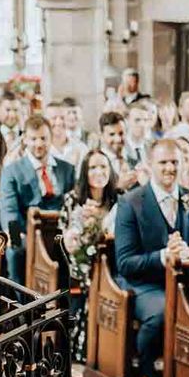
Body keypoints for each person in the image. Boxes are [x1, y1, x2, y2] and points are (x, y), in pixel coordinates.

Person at [114, 139, 189, 377]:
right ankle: (148, 376)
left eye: (175, 162)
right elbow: (124, 262)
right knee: (161, 313)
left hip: (187, 282)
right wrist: (162, 256)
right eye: (163, 162)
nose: (170, 168)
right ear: (150, 165)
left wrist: (188, 252)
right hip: (144, 284)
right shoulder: (131, 203)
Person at [0, 115, 76, 284]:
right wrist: (14, 235)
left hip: (60, 232)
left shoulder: (67, 169)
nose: (39, 144)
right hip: (27, 232)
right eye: (33, 139)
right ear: (25, 139)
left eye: (43, 138)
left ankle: (69, 304)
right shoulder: (12, 171)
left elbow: (74, 203)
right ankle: (22, 306)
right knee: (15, 251)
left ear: (51, 138)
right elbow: (8, 208)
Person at [61, 149, 120, 362]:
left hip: (111, 262)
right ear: (85, 172)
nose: (98, 172)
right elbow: (64, 239)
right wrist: (83, 233)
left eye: (103, 167)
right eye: (93, 167)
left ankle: (106, 349)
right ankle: (79, 347)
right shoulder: (73, 199)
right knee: (85, 278)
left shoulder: (117, 200)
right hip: (80, 262)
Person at [98, 111, 145, 192]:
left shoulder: (135, 159)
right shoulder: (94, 161)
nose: (118, 139)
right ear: (101, 136)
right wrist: (118, 187)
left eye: (121, 133)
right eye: (112, 134)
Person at [46, 101, 88, 171]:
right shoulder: (42, 149)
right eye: (54, 118)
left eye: (62, 118)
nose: (59, 122)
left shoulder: (81, 148)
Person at [124, 100, 151, 165]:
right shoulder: (121, 147)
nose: (142, 124)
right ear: (126, 121)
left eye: (145, 120)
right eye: (137, 120)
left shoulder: (151, 147)